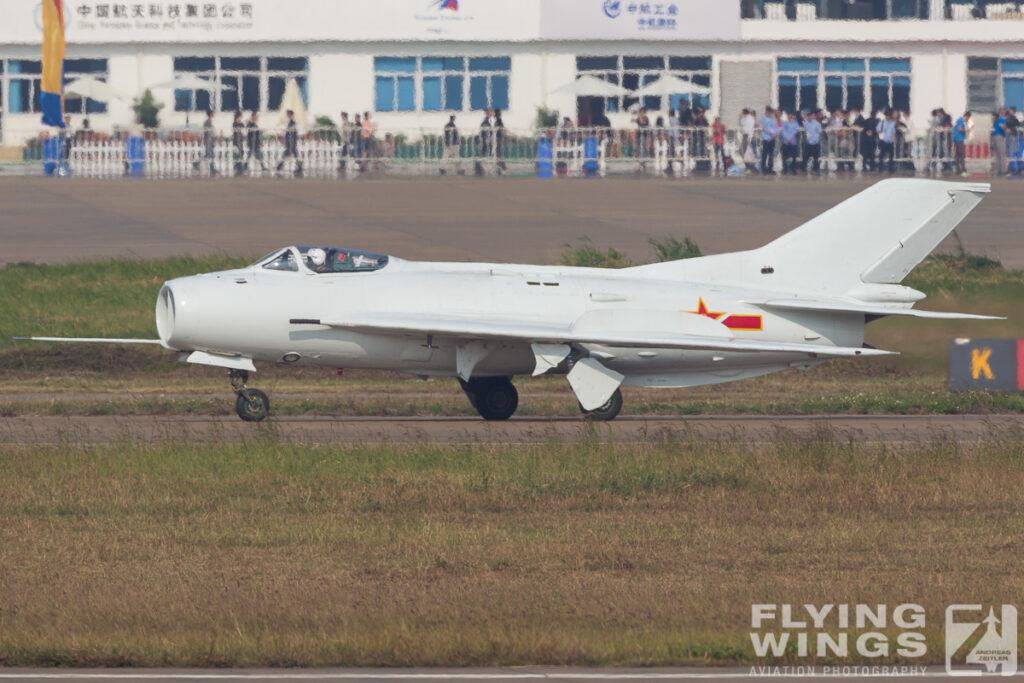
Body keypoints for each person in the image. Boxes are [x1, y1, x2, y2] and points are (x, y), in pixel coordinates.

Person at [276, 109, 303, 177]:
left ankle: (280, 166)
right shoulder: (290, 122)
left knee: (292, 154)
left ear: (290, 115)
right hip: (290, 142)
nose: (287, 115)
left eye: (287, 114)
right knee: (290, 154)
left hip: (291, 142)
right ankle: (280, 166)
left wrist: (293, 140)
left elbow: (293, 133)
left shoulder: (292, 122)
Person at [194, 109, 217, 175]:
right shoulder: (208, 122)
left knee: (208, 156)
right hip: (208, 142)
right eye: (213, 113)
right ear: (210, 114)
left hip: (209, 141)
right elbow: (209, 133)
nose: (214, 114)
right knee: (211, 156)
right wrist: (213, 138)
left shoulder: (208, 121)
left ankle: (196, 163)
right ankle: (212, 169)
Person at [853, 108, 875, 172]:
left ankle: (864, 166)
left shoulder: (862, 119)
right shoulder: (875, 120)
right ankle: (871, 166)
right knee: (871, 153)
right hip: (871, 139)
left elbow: (863, 127)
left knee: (865, 153)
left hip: (864, 139)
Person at [759, 106, 778, 174]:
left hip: (772, 139)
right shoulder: (763, 118)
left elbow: (775, 127)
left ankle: (770, 168)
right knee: (764, 154)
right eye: (768, 111)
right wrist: (773, 133)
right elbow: (766, 128)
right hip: (766, 138)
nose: (768, 113)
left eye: (770, 111)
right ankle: (763, 168)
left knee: (771, 154)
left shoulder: (774, 119)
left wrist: (775, 134)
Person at [779, 111, 800, 175]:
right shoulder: (784, 123)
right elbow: (783, 131)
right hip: (786, 141)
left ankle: (793, 169)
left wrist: (790, 138)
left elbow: (795, 131)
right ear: (787, 116)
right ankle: (785, 169)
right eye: (789, 115)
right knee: (784, 156)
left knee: (794, 156)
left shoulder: (796, 123)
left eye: (791, 115)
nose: (790, 116)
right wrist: (787, 138)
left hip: (793, 142)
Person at [952, 111, 970, 177]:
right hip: (959, 139)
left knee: (957, 155)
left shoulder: (959, 120)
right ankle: (963, 170)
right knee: (962, 155)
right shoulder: (961, 120)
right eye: (968, 118)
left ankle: (958, 170)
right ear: (966, 116)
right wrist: (966, 130)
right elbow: (959, 129)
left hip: (956, 138)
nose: (967, 120)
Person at [991, 109, 1008, 176]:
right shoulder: (1002, 119)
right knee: (1002, 154)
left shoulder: (996, 120)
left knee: (997, 155)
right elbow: (1002, 126)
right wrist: (1007, 129)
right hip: (1000, 137)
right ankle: (1003, 170)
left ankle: (997, 171)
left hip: (995, 136)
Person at [231, 111, 245, 176]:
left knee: (241, 153)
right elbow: (240, 126)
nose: (241, 118)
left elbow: (243, 126)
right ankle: (238, 166)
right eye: (241, 116)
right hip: (236, 142)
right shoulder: (235, 123)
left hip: (240, 141)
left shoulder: (239, 123)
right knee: (238, 154)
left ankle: (239, 166)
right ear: (238, 117)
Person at [493, 108, 506, 174]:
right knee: (498, 154)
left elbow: (499, 131)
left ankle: (501, 168)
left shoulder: (499, 121)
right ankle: (499, 168)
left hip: (498, 139)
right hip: (498, 139)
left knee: (499, 154)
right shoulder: (499, 121)